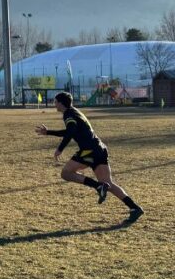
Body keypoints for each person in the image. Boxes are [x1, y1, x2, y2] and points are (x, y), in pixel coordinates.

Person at [35, 91, 144, 222]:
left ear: (60, 103)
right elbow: (71, 131)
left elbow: (70, 132)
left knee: (66, 173)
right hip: (100, 148)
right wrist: (48, 132)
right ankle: (135, 208)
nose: (54, 104)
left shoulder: (68, 114)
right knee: (108, 183)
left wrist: (60, 148)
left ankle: (98, 186)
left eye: (55, 101)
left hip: (89, 150)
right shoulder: (74, 112)